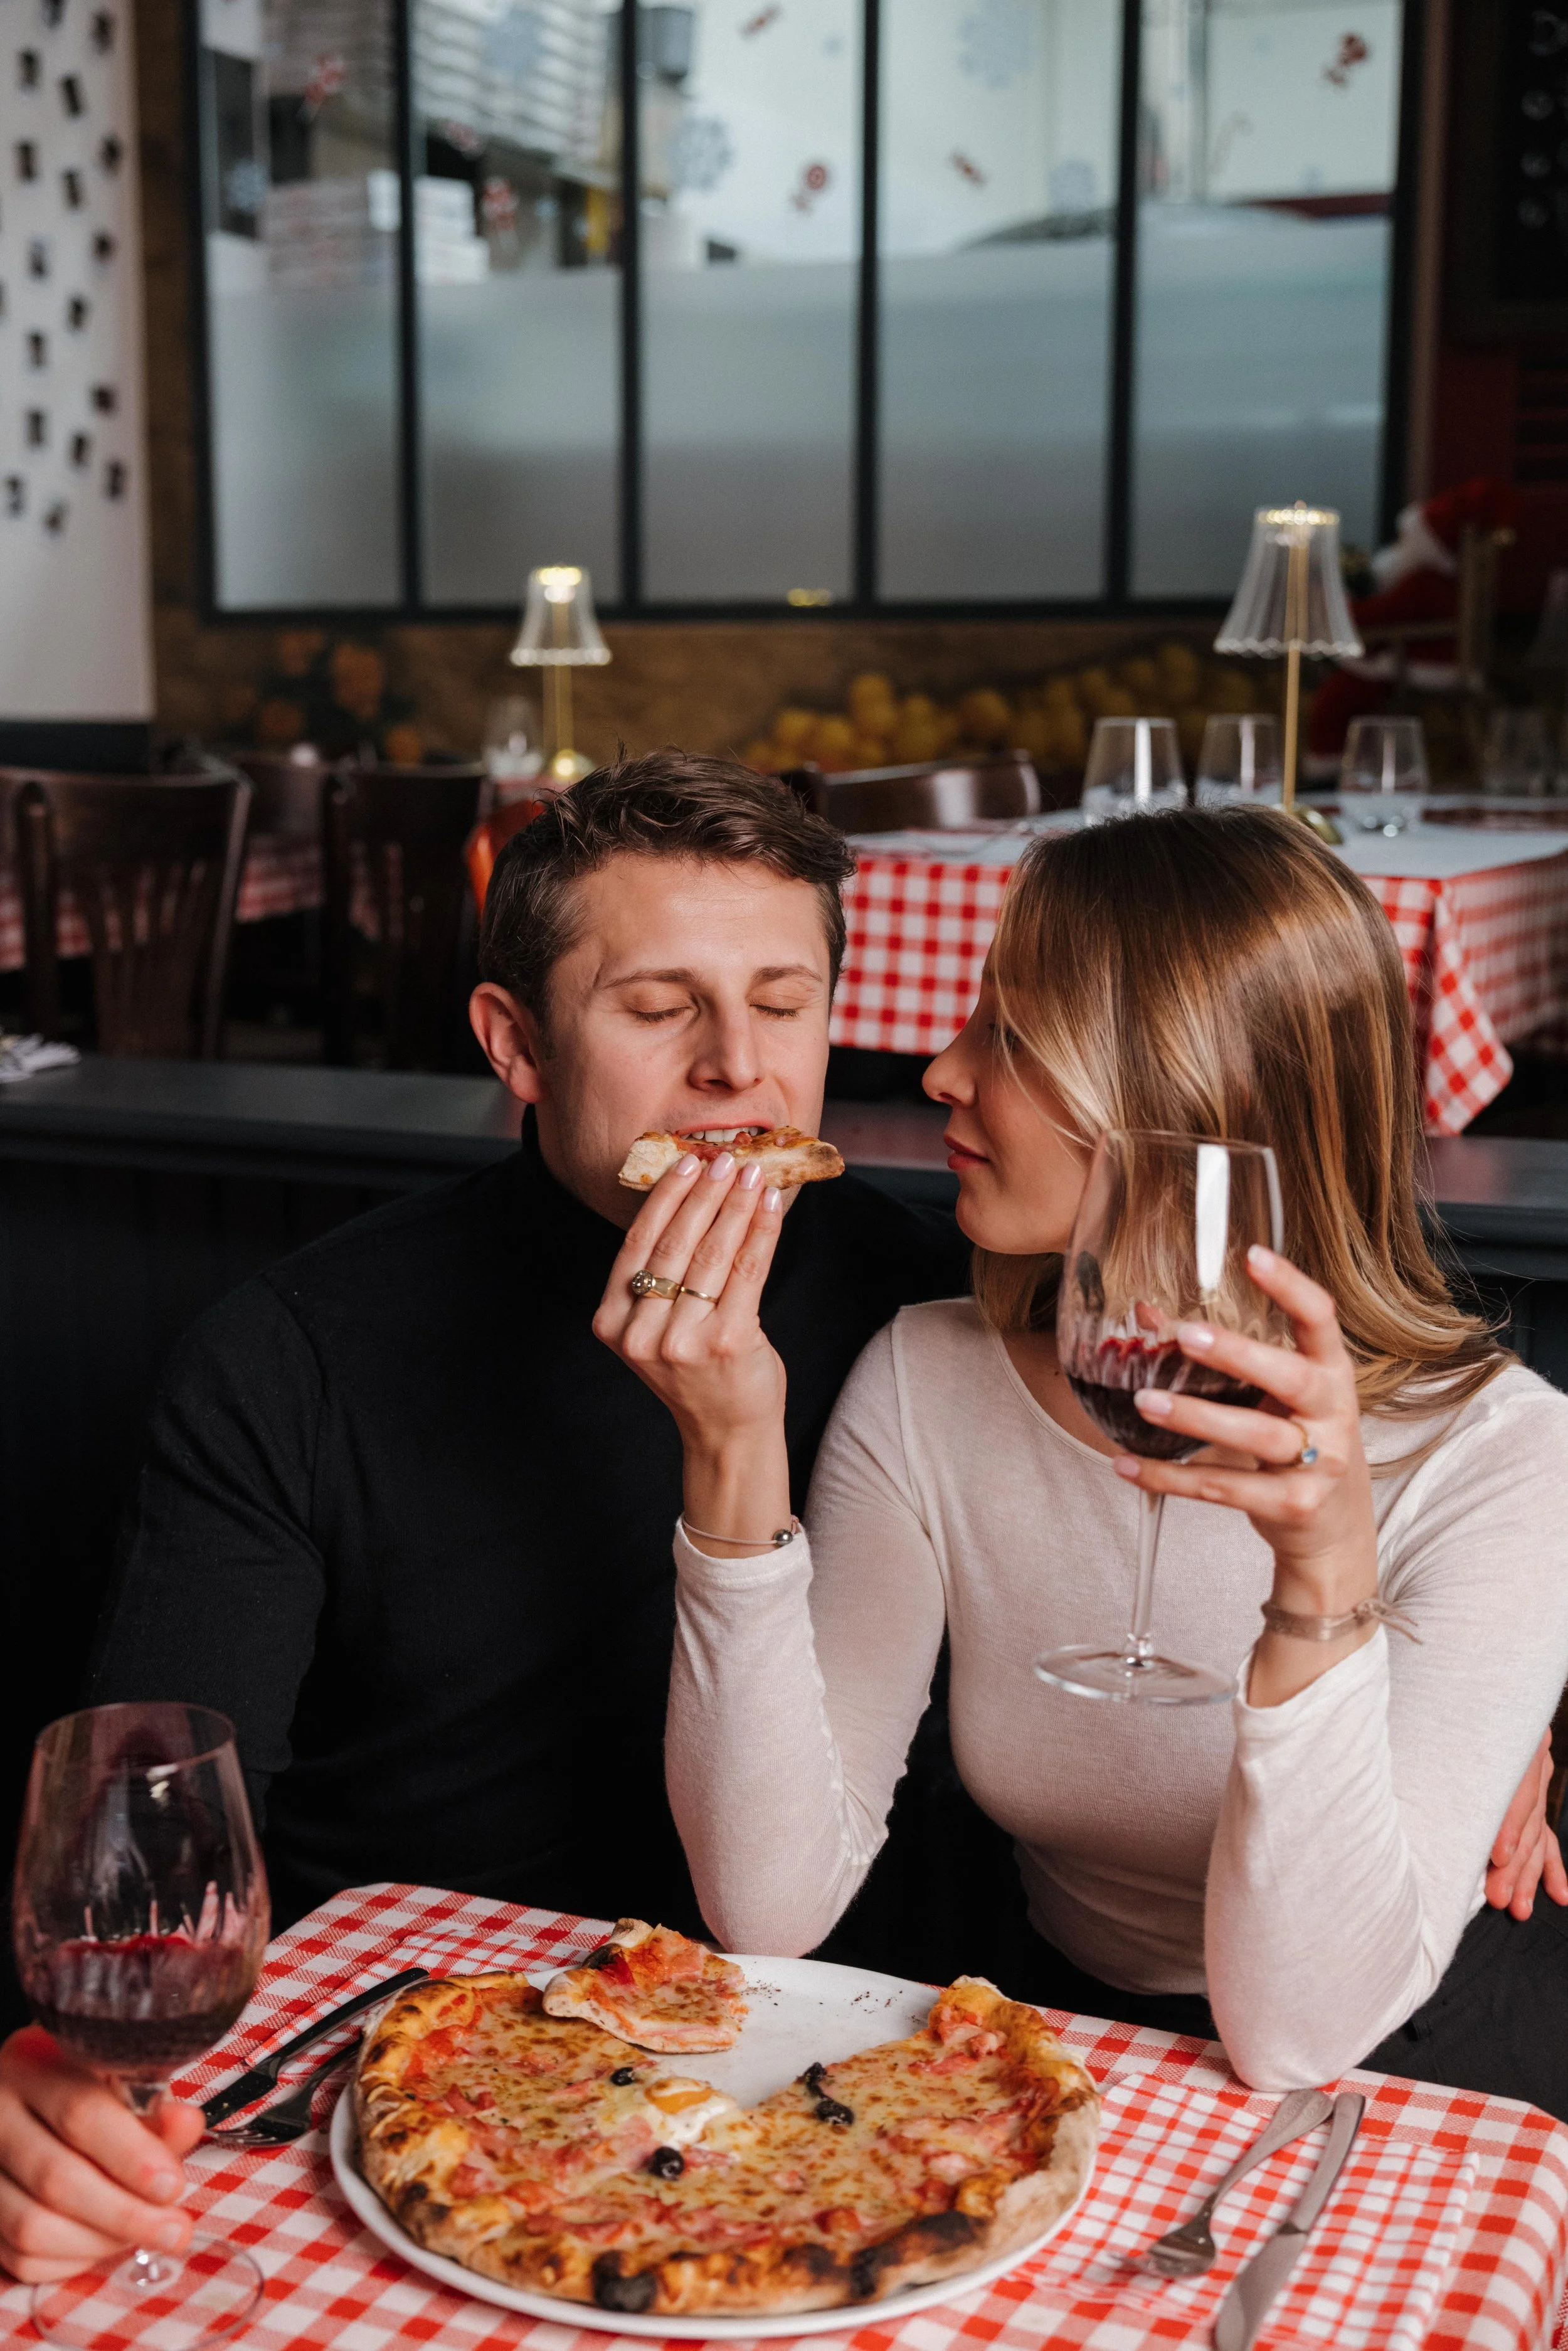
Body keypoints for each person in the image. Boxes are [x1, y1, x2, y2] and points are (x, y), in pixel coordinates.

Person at [0, 752, 971, 2285]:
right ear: (512, 1042)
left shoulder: (936, 1302)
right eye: (658, 1008)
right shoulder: (291, 1348)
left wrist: (1505, 1707)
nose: (736, 1065)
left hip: (843, 2073)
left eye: (781, 1000)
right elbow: (152, 1836)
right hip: (400, 2063)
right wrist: (55, 2076)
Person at [598, 802, 1568, 2120]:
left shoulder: (1499, 1454)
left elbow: (1294, 2034)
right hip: (1045, 2030)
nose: (939, 1070)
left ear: (1182, 1090)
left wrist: (1320, 1590)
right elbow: (765, 1906)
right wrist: (727, 1451)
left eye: (1007, 1033)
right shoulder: (929, 1372)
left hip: (1402, 2061)